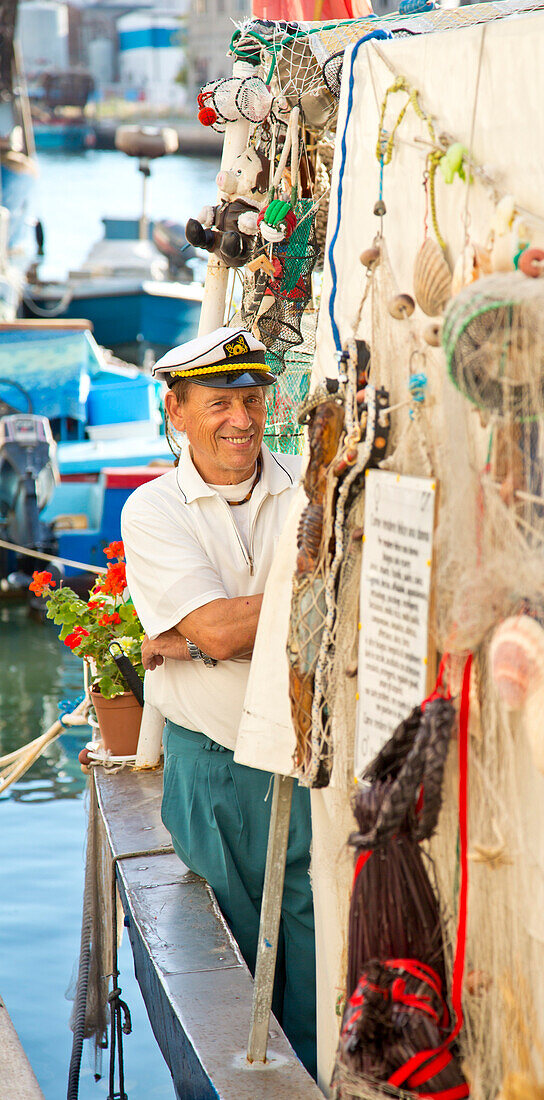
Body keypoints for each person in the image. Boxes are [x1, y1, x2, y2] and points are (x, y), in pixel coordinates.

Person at [120, 326, 316, 1076]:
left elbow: (215, 631)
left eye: (250, 398)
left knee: (313, 940)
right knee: (233, 953)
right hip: (219, 766)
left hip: (306, 759)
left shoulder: (306, 482)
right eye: (218, 402)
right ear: (176, 410)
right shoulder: (154, 509)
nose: (240, 418)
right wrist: (208, 634)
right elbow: (217, 630)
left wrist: (201, 636)